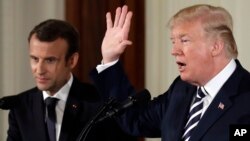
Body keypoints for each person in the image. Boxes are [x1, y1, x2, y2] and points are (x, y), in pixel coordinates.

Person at [90, 4, 250, 141]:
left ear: (216, 46)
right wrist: (110, 60)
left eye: (184, 40)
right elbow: (135, 119)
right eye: (173, 42)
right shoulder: (181, 89)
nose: (174, 51)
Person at [7, 19, 138, 141]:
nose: (39, 69)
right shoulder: (20, 106)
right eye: (35, 59)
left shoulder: (100, 103)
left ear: (72, 61)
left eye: (50, 60)